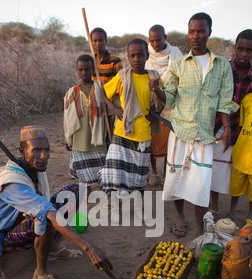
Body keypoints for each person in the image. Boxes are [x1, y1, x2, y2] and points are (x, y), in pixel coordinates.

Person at [0, 125, 112, 279]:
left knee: (76, 191)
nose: (43, 156)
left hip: (27, 218)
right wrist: (89, 247)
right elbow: (48, 213)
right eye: (36, 150)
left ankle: (51, 248)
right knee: (46, 219)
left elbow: (45, 204)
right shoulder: (12, 181)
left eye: (46, 150)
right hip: (6, 235)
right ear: (22, 151)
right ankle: (41, 274)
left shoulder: (35, 169)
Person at [149, 12, 239, 237]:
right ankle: (180, 217)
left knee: (201, 183)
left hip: (205, 134)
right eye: (191, 31)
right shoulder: (179, 64)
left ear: (209, 32)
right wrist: (157, 89)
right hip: (180, 131)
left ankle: (200, 225)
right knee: (176, 177)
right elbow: (169, 97)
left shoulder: (221, 66)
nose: (195, 36)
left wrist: (227, 129)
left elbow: (225, 101)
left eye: (200, 31)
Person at [100, 38, 163, 219]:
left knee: (139, 177)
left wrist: (157, 90)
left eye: (140, 55)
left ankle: (139, 208)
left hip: (143, 134)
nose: (136, 59)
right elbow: (103, 91)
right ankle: (113, 206)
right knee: (114, 173)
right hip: (121, 132)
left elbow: (163, 101)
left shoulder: (153, 77)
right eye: (132, 55)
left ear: (147, 56)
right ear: (127, 57)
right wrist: (113, 108)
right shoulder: (122, 76)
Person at [211, 29, 252, 214]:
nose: (244, 54)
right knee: (215, 168)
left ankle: (232, 209)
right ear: (234, 48)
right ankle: (214, 206)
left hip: (241, 131)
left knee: (234, 172)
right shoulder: (222, 68)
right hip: (216, 126)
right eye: (241, 49)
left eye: (249, 51)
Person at [145, 25, 183, 186]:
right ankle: (154, 172)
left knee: (169, 138)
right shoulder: (145, 53)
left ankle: (168, 172)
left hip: (170, 102)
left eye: (158, 40)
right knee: (152, 140)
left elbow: (180, 77)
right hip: (151, 102)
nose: (155, 44)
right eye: (152, 41)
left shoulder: (175, 53)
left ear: (165, 37)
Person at [64, 55, 107, 189]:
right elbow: (66, 119)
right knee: (82, 168)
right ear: (77, 70)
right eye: (80, 69)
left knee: (102, 166)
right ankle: (85, 189)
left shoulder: (101, 89)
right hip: (78, 139)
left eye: (87, 69)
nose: (84, 73)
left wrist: (110, 138)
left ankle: (104, 189)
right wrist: (67, 139)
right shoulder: (71, 93)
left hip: (98, 139)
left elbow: (109, 115)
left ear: (93, 70)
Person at [228, 90, 252, 221]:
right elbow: (242, 126)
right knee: (235, 187)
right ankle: (231, 211)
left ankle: (250, 216)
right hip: (242, 153)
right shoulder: (248, 100)